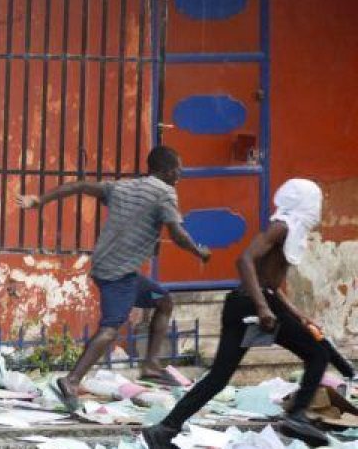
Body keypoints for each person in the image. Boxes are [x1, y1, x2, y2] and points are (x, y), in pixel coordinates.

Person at [15, 146, 211, 409]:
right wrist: (198, 252)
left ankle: (151, 364)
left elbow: (81, 186)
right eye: (178, 169)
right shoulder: (165, 193)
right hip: (119, 277)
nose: (181, 174)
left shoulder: (123, 187)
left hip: (110, 269)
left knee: (162, 300)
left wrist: (39, 200)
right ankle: (72, 380)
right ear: (166, 170)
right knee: (110, 329)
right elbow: (176, 234)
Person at [142, 179, 333, 449]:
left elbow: (271, 284)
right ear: (304, 202)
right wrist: (262, 307)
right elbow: (244, 260)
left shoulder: (291, 231)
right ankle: (296, 415)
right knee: (319, 354)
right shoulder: (282, 226)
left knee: (219, 377)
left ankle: (164, 430)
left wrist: (298, 314)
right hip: (250, 304)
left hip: (251, 302)